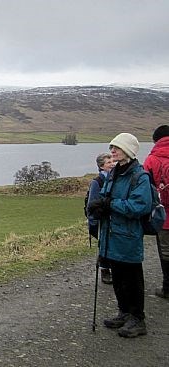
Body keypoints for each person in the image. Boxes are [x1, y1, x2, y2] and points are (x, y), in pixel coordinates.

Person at [88, 133, 152, 338]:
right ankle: (124, 312)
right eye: (112, 147)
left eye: (117, 147)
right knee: (118, 277)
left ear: (129, 151)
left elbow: (140, 206)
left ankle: (137, 319)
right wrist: (100, 207)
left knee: (132, 278)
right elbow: (107, 197)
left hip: (128, 235)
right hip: (111, 234)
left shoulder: (139, 176)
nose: (113, 151)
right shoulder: (115, 172)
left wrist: (110, 205)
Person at [142, 125, 169, 299]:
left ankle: (167, 287)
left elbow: (146, 189)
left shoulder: (151, 160)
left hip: (163, 216)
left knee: (166, 251)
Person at [87, 152, 115, 284]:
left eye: (112, 161)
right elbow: (91, 203)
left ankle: (114, 269)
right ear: (101, 166)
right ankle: (105, 271)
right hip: (100, 220)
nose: (112, 164)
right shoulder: (97, 182)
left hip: (113, 219)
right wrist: (93, 222)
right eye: (108, 162)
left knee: (113, 245)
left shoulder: (115, 179)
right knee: (103, 245)